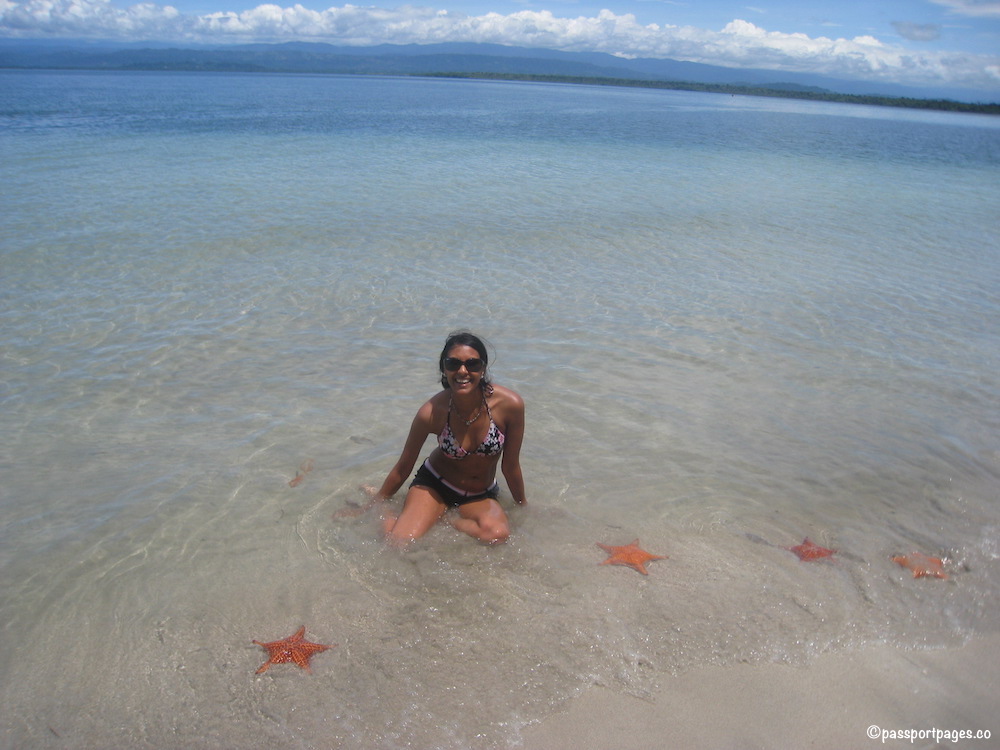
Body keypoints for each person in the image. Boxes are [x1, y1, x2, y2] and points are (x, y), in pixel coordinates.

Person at [363, 331, 527, 546]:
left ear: (483, 368)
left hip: (480, 494)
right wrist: (375, 503)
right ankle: (389, 513)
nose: (462, 371)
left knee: (497, 535)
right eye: (453, 363)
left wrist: (523, 507)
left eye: (472, 364)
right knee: (398, 543)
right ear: (444, 368)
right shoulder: (431, 412)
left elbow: (511, 466)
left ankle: (446, 517)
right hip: (435, 486)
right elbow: (404, 466)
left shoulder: (510, 405)